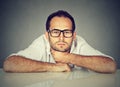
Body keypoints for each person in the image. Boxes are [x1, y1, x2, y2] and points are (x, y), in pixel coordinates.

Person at [3, 10, 116, 73]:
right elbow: (9, 64)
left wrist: (67, 57)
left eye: (67, 32)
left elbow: (110, 66)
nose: (61, 38)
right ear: (47, 35)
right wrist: (54, 67)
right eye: (56, 32)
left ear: (74, 35)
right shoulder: (41, 42)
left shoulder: (79, 42)